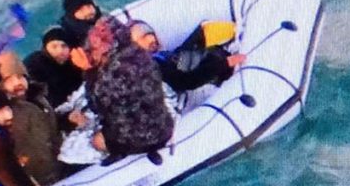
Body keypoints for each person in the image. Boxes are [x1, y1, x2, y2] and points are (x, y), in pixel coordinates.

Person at [71, 16, 175, 167]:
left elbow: (97, 107)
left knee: (97, 140)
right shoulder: (141, 55)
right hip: (163, 129)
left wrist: (89, 71)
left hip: (135, 139)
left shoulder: (112, 72)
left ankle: (120, 153)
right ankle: (150, 149)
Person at [0, 49, 64, 186]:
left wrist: (68, 121)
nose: (17, 82)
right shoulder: (4, 111)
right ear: (1, 85)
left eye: (20, 76)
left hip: (59, 166)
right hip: (38, 181)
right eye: (9, 79)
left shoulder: (37, 97)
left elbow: (49, 129)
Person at [129, 20, 246, 111]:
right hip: (186, 96)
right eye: (142, 38)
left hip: (182, 72)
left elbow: (177, 60)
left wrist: (199, 35)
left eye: (147, 32)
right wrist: (225, 63)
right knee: (211, 58)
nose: (150, 38)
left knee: (202, 35)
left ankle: (230, 37)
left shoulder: (159, 56)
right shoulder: (151, 67)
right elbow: (186, 81)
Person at [23, 26, 83, 109]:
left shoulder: (75, 60)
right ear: (45, 48)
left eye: (64, 46)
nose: (60, 51)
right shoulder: (34, 65)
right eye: (54, 46)